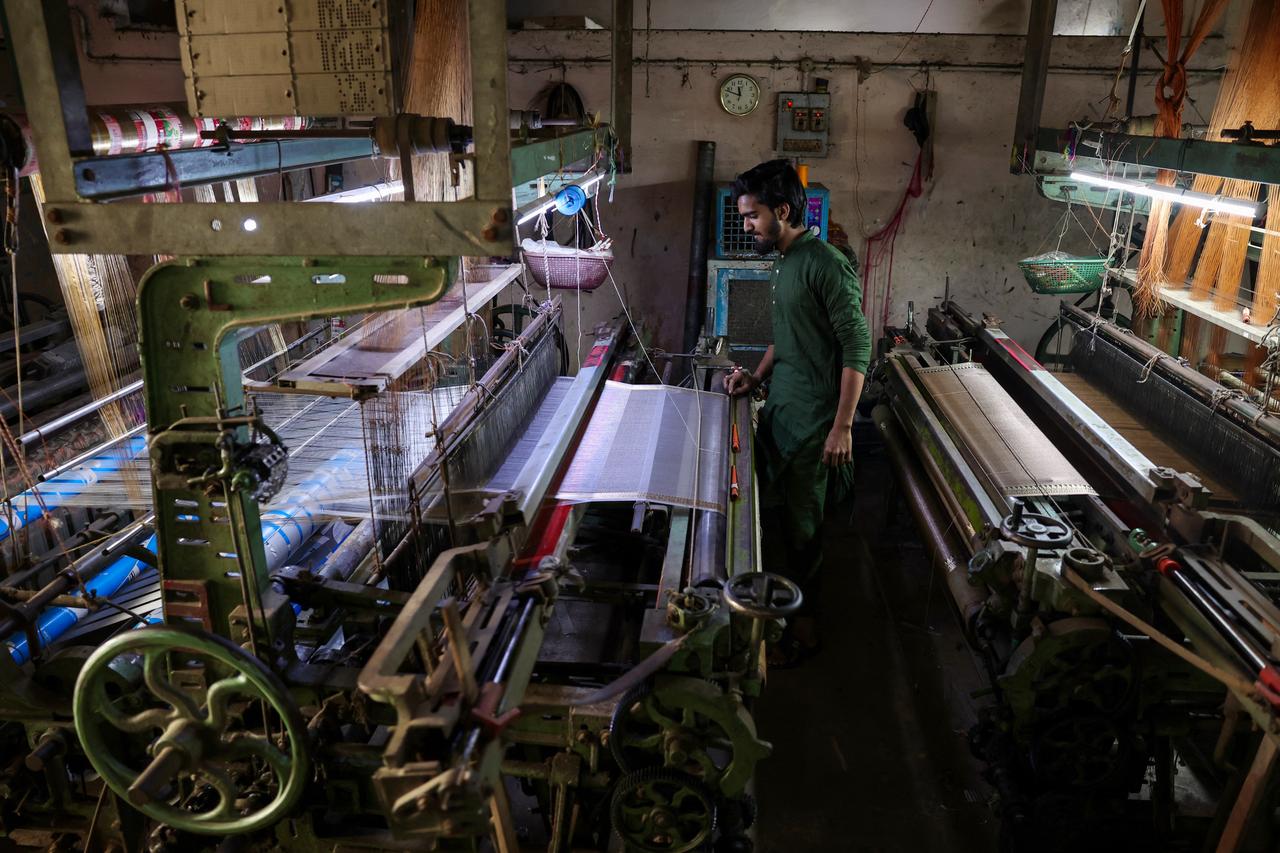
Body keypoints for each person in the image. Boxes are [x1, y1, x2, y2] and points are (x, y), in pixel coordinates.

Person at [723, 159, 871, 666]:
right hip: (782, 412)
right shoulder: (783, 262)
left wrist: (842, 426)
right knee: (770, 523)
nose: (747, 226)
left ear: (782, 211)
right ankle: (769, 614)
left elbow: (857, 346)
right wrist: (755, 377)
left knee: (805, 535)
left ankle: (804, 632)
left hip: (814, 427)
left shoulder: (826, 264)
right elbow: (784, 336)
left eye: (753, 216)